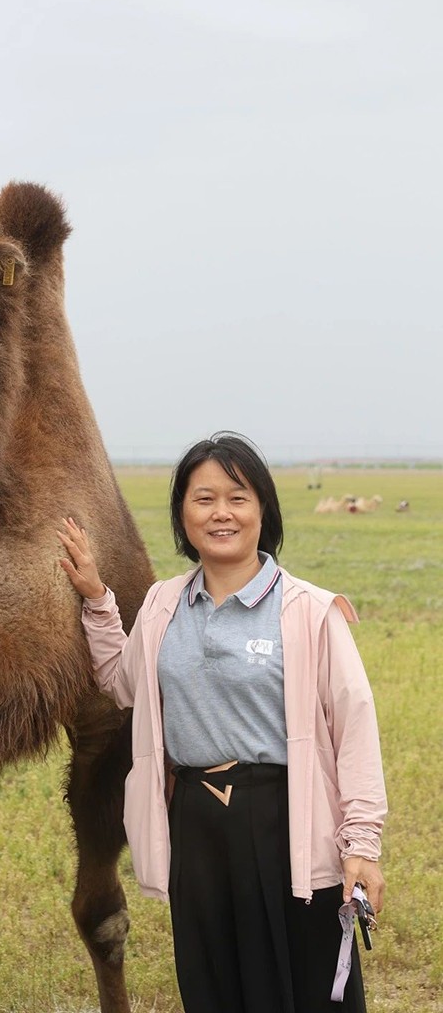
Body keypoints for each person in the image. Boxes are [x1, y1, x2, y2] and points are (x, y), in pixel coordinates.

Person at [57, 432, 387, 1013]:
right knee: (214, 982)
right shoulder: (163, 605)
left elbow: (354, 727)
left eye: (238, 497)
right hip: (196, 822)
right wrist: (97, 599)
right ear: (183, 515)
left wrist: (361, 843)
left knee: (306, 987)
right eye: (203, 499)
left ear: (264, 509)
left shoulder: (309, 611)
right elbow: (123, 681)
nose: (221, 513)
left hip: (284, 817)